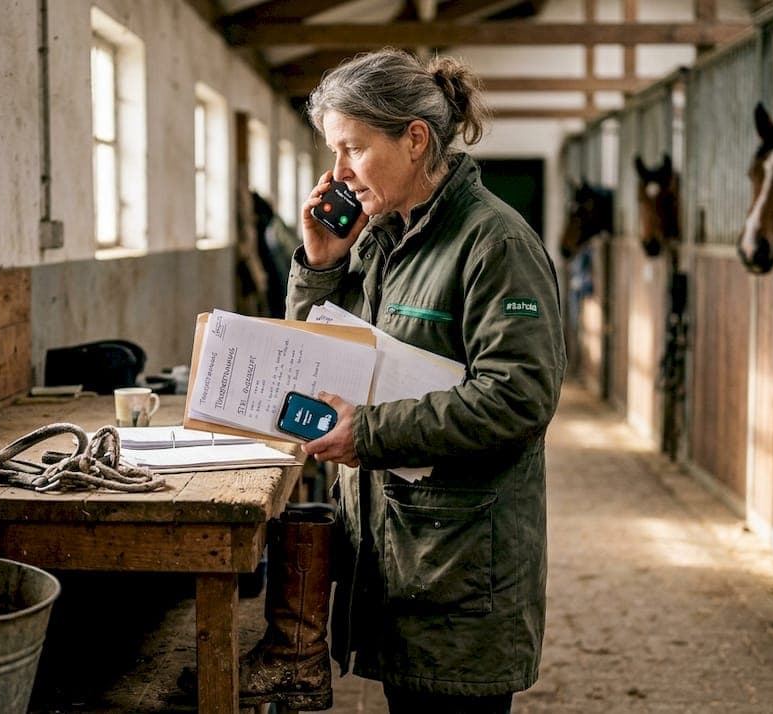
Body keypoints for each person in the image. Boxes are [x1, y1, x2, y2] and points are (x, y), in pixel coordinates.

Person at [287, 48, 567, 713]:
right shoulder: (383, 240)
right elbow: (317, 358)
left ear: (414, 140)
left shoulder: (494, 243)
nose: (338, 172)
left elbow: (519, 396)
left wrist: (372, 430)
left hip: (461, 567)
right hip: (399, 555)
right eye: (334, 152)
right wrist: (321, 263)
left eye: (352, 148)